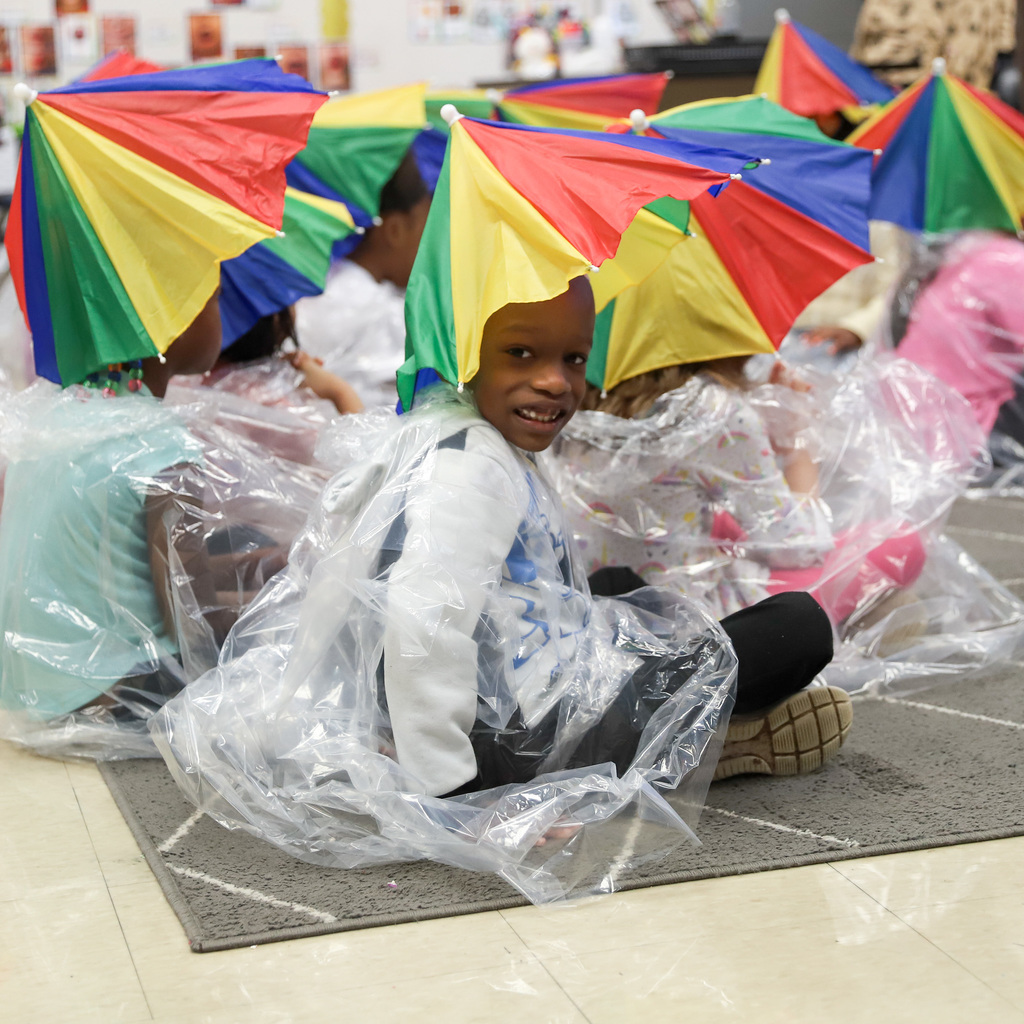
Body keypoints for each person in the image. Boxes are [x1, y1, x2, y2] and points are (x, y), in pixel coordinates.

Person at [0, 297, 223, 753]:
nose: (223, 316)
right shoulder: (160, 447)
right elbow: (192, 622)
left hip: (30, 691)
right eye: (213, 300)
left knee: (252, 561)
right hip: (107, 696)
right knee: (278, 622)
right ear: (168, 326)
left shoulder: (62, 413)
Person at [295, 153, 431, 407]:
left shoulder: (324, 282)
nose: (433, 249)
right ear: (395, 231)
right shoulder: (375, 310)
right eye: (426, 232)